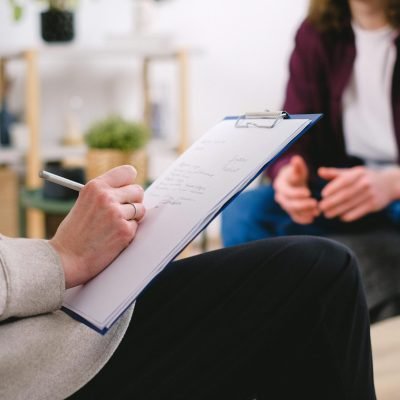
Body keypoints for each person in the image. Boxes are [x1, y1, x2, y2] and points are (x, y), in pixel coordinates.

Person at [0, 165, 375, 399]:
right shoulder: (320, 44)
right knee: (321, 274)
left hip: (39, 329)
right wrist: (62, 256)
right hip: (41, 368)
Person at [221, 0, 400, 319]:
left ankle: (344, 277)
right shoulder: (316, 34)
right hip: (342, 188)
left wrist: (392, 184)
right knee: (244, 212)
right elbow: (294, 129)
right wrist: (288, 172)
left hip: (393, 191)